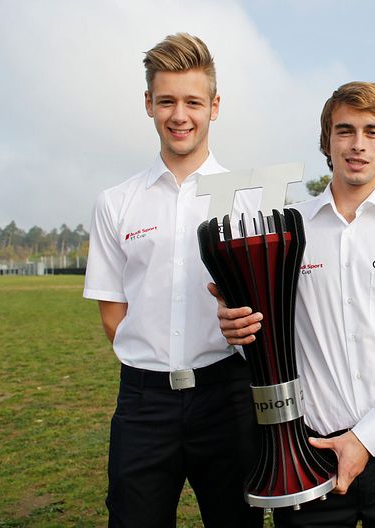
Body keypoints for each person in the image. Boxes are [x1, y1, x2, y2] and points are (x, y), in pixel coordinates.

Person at [217, 81, 375, 528]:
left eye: (373, 131)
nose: (358, 145)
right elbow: (262, 342)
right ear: (327, 140)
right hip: (309, 452)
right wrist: (236, 329)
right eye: (345, 130)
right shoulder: (285, 231)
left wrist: (367, 439)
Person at [83, 33, 263, 528]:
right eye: (166, 101)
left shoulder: (248, 199)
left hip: (226, 396)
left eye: (192, 101)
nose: (179, 115)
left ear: (215, 106)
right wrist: (153, 365)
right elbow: (112, 312)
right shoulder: (115, 202)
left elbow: (268, 307)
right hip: (144, 405)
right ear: (148, 104)